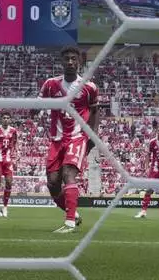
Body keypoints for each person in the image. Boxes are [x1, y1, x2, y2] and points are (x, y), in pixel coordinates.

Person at [40, 46, 99, 234]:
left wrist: (92, 135)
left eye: (74, 59)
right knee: (52, 182)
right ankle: (73, 212)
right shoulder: (50, 84)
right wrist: (33, 108)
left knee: (68, 174)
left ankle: (70, 223)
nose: (70, 62)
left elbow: (95, 111)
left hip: (77, 136)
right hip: (56, 139)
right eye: (67, 59)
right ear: (62, 62)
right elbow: (38, 103)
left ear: (79, 62)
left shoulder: (88, 87)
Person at [0, 115, 18, 217]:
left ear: (10, 119)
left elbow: (15, 143)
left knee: (9, 183)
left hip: (8, 160)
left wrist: (15, 157)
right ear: (1, 119)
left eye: (7, 118)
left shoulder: (13, 131)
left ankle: (5, 207)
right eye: (4, 117)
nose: (6, 119)